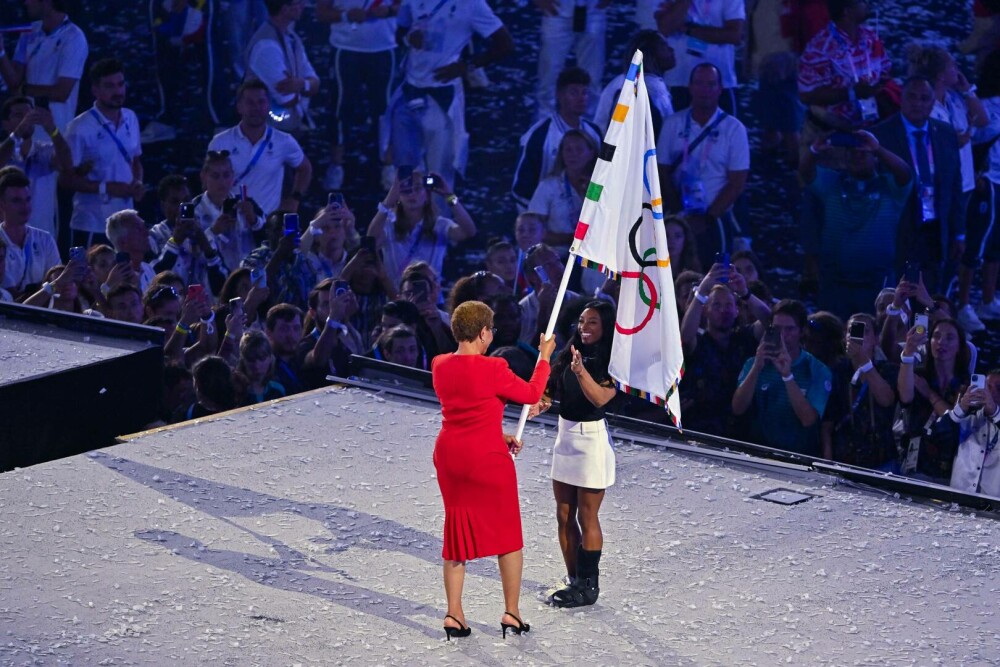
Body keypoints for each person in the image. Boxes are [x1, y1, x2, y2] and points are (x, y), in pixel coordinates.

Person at [431, 300, 555, 640]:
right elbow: (531, 394)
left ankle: (454, 614)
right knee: (508, 536)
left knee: (456, 535)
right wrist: (544, 356)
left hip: (450, 456)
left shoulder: (439, 364)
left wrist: (497, 435)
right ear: (484, 332)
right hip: (486, 460)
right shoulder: (494, 368)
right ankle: (511, 613)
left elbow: (466, 412)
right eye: (491, 331)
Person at [528, 301, 617, 608]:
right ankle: (574, 578)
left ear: (605, 326)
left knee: (586, 514)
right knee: (564, 514)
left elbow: (600, 398)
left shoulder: (610, 363)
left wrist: (581, 372)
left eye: (592, 322)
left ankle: (589, 586)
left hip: (590, 442)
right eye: (581, 321)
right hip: (564, 438)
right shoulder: (568, 356)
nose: (584, 327)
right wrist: (539, 405)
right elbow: (549, 394)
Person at [390, 0, 513, 187]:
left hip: (442, 96)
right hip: (409, 91)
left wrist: (467, 65)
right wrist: (408, 38)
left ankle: (439, 213)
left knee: (438, 175)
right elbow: (399, 30)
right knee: (406, 170)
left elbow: (505, 44)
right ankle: (410, 214)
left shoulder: (472, 4)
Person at [800, 129, 913, 319]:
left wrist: (878, 149)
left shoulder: (890, 188)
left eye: (864, 153)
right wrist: (814, 150)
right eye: (852, 152)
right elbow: (806, 173)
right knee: (834, 336)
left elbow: (906, 173)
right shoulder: (832, 182)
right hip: (835, 280)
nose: (857, 156)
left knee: (872, 336)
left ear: (875, 158)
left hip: (877, 281)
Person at [872, 76, 964, 292]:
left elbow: (955, 185)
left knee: (927, 295)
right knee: (895, 294)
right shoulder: (881, 135)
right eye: (912, 97)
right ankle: (894, 326)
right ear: (901, 99)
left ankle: (921, 328)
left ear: (933, 102)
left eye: (924, 98)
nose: (918, 103)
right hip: (898, 229)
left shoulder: (946, 133)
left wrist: (959, 232)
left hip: (934, 229)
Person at [657, 63, 750, 270]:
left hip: (715, 219)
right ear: (690, 87)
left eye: (710, 84)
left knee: (716, 276)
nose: (704, 90)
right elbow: (661, 170)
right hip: (677, 218)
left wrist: (707, 219)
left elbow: (737, 182)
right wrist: (679, 212)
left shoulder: (734, 129)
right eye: (699, 83)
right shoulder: (673, 123)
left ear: (720, 89)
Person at [316, 0, 400, 190]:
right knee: (340, 108)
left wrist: (388, 11)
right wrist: (346, 16)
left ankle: (388, 164)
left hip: (384, 49)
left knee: (385, 109)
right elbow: (321, 13)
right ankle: (336, 164)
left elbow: (409, 7)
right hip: (345, 49)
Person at [732, 299, 833, 456]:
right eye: (778, 328)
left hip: (800, 458)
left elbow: (808, 420)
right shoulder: (754, 363)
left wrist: (787, 376)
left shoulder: (818, 370)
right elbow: (737, 408)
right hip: (759, 454)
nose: (784, 335)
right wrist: (756, 368)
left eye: (790, 329)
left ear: (802, 331)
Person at [679, 266, 770, 437]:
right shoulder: (699, 342)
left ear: (737, 310)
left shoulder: (745, 337)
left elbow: (769, 322)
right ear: (706, 310)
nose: (723, 310)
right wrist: (703, 290)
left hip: (742, 430)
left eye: (729, 305)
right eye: (716, 305)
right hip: (701, 429)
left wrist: (745, 292)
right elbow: (685, 335)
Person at [62, 58, 144, 247]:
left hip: (126, 224)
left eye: (120, 84)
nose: (117, 91)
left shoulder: (131, 118)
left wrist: (138, 183)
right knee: (86, 276)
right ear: (95, 90)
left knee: (125, 275)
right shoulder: (79, 128)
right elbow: (65, 180)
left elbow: (135, 160)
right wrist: (106, 188)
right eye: (109, 86)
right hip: (91, 224)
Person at [208, 80, 312, 216]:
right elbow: (207, 180)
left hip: (267, 225)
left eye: (261, 102)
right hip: (228, 222)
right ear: (239, 107)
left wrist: (294, 199)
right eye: (250, 102)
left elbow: (305, 168)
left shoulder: (283, 141)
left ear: (268, 105)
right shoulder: (220, 142)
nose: (256, 108)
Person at [512, 67, 603, 210]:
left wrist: (591, 209)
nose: (581, 98)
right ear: (559, 95)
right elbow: (521, 190)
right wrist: (538, 222)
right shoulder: (539, 135)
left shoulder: (595, 133)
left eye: (584, 92)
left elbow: (603, 176)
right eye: (574, 92)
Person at [368, 170, 476, 289]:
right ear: (398, 196)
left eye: (418, 188)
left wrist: (449, 196)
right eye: (406, 190)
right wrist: (388, 201)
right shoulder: (388, 225)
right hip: (397, 297)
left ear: (427, 195)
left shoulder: (440, 224)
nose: (412, 194)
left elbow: (469, 231)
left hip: (431, 298)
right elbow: (371, 240)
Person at [897, 318, 971, 483]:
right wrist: (908, 352)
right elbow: (905, 396)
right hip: (915, 463)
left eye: (949, 337)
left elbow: (954, 419)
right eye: (936, 336)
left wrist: (929, 394)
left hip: (949, 470)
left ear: (960, 346)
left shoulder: (965, 386)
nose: (941, 342)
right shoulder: (918, 375)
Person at [822, 313, 900, 470]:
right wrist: (827, 461)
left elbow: (886, 399)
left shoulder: (888, 369)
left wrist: (864, 361)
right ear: (845, 337)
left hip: (882, 459)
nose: (857, 337)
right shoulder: (837, 371)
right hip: (845, 457)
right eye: (852, 330)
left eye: (864, 331)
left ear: (875, 340)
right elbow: (827, 423)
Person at [0, 0, 89, 132]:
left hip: (56, 135)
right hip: (26, 134)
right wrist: (1, 52)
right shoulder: (28, 32)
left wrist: (23, 90)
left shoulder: (74, 38)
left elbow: (61, 93)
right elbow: (14, 82)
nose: (26, 3)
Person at [652, 0, 745, 116]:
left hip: (719, 82)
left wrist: (689, 30)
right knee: (673, 131)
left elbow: (734, 35)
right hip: (679, 80)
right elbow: (665, 28)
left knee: (725, 131)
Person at [0, 96, 73, 240]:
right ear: (5, 124)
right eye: (18, 115)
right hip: (4, 236)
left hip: (42, 235)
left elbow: (67, 165)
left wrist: (53, 130)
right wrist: (19, 131)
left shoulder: (44, 150)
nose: (25, 120)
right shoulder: (4, 152)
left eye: (28, 115)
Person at [245, 0, 320, 133]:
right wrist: (306, 86)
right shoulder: (267, 47)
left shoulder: (292, 38)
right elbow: (287, 99)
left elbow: (315, 82)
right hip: (269, 131)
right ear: (285, 9)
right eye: (298, 3)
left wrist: (302, 85)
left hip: (286, 128)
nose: (303, 5)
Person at [534, 0, 608, 121]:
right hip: (557, 11)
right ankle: (545, 125)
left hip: (593, 10)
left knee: (593, 77)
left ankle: (589, 127)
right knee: (549, 76)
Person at [526, 129, 598, 252]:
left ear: (591, 153)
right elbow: (532, 231)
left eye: (579, 150)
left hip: (594, 255)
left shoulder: (599, 186)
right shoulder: (548, 187)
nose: (573, 154)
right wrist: (570, 239)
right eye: (568, 149)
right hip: (558, 258)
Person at [594, 30, 675, 137]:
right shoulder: (631, 85)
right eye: (663, 46)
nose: (671, 49)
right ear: (648, 53)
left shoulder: (653, 84)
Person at [0, 168, 61, 297]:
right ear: (2, 205)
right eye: (17, 201)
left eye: (28, 199)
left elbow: (58, 284)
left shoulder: (45, 239)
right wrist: (47, 287)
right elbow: (11, 297)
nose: (25, 206)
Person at [948, 370, 1000, 497]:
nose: (989, 393)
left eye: (998, 388)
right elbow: (937, 440)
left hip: (994, 506)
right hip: (958, 498)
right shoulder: (966, 417)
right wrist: (960, 409)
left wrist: (995, 412)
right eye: (986, 387)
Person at [105, 209, 157, 292]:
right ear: (123, 243)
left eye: (144, 227)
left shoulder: (148, 269)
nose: (146, 233)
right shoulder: (113, 278)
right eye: (138, 230)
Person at [234, 330, 286, 405]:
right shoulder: (236, 394)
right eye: (251, 360)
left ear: (270, 358)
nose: (256, 365)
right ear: (243, 360)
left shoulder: (278, 390)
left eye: (262, 359)